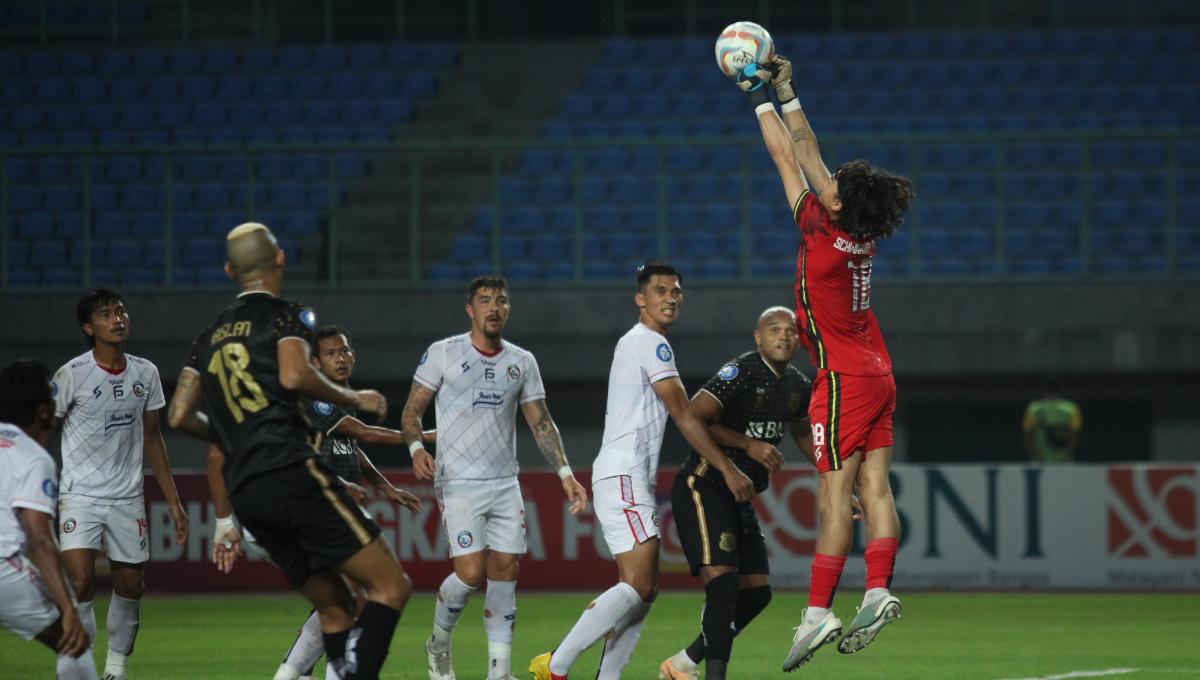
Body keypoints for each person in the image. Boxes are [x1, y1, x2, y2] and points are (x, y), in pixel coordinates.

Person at [167, 222, 410, 680]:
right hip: (289, 471)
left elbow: (179, 414)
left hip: (248, 494)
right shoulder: (288, 316)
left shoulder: (208, 337)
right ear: (280, 259)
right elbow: (296, 374)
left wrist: (230, 432)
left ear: (228, 270)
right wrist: (357, 398)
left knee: (336, 607)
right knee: (391, 586)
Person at [736, 56, 915, 669]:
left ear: (837, 200)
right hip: (881, 373)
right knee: (876, 488)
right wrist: (781, 89)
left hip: (841, 379)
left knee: (836, 499)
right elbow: (808, 152)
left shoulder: (819, 226)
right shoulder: (856, 232)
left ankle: (816, 614)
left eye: (835, 179)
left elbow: (791, 156)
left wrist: (759, 94)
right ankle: (879, 589)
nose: (827, 176)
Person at [530, 262, 755, 680]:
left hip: (626, 476)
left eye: (675, 291)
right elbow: (686, 415)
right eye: (660, 291)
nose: (670, 297)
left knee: (645, 589)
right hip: (624, 473)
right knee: (638, 584)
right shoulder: (651, 343)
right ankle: (556, 666)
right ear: (641, 299)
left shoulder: (640, 343)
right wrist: (729, 463)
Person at [401, 275, 588, 680]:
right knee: (470, 574)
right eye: (485, 300)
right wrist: (417, 449)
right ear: (471, 309)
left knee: (505, 570)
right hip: (458, 481)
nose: (494, 307)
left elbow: (541, 422)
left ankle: (499, 671)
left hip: (505, 482)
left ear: (508, 309)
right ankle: (437, 643)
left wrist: (565, 473)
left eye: (501, 300)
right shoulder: (443, 353)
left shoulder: (521, 362)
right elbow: (412, 411)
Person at [659, 306, 813, 680]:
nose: (783, 336)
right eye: (774, 330)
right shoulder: (741, 372)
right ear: (758, 337)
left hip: (739, 495)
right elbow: (692, 417)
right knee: (723, 585)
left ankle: (681, 664)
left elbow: (804, 432)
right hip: (705, 484)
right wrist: (745, 449)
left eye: (790, 331)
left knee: (757, 593)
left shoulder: (797, 384)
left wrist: (839, 481)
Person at [273, 325, 427, 680]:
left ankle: (300, 671)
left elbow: (351, 447)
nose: (341, 358)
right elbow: (364, 433)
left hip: (335, 504)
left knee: (338, 598)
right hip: (321, 505)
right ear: (315, 362)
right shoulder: (317, 399)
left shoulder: (338, 398)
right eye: (331, 353)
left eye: (344, 351)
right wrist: (424, 436)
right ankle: (311, 672)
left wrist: (384, 485)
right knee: (353, 593)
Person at [50, 286, 189, 680]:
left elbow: (153, 437)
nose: (118, 319)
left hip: (127, 497)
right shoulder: (71, 374)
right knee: (79, 582)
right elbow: (45, 427)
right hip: (79, 495)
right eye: (106, 314)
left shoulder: (145, 373)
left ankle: (116, 670)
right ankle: (79, 669)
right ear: (87, 326)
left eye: (121, 311)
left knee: (130, 585)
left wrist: (174, 501)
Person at [0, 359, 98, 679]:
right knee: (74, 642)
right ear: (44, 411)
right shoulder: (31, 457)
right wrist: (69, 608)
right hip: (3, 570)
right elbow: (39, 539)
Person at [1022, 378, 1082, 464]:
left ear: (1043, 390)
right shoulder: (1071, 408)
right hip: (1064, 460)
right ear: (1061, 390)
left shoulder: (1034, 408)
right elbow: (1075, 435)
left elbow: (1027, 435)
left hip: (1040, 460)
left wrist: (1034, 455)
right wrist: (1068, 454)